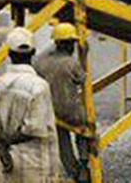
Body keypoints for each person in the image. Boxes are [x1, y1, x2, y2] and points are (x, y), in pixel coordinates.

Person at [0, 27, 61, 183]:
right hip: (34, 167)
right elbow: (33, 127)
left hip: (5, 166)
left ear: (9, 54)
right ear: (33, 53)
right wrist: (7, 141)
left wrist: (1, 148)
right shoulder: (39, 86)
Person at [35, 23, 90, 183]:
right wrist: (84, 55)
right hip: (72, 112)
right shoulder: (71, 63)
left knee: (62, 140)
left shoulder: (41, 61)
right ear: (68, 44)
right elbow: (82, 79)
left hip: (51, 112)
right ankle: (84, 164)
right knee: (84, 130)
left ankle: (72, 171)